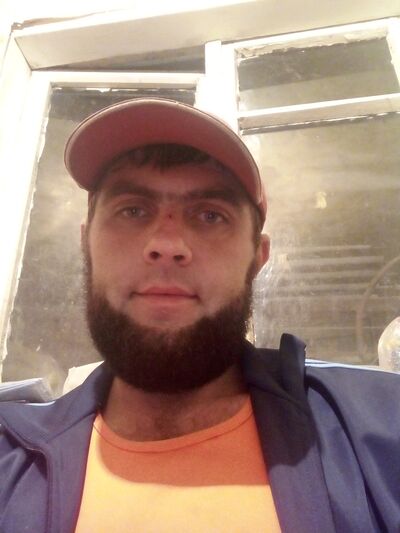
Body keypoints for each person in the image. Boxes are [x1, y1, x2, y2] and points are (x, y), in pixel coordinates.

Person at [0, 98, 399, 533]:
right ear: (86, 242)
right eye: (132, 210)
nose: (167, 244)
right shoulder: (9, 459)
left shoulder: (382, 424)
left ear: (257, 257)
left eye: (210, 215)